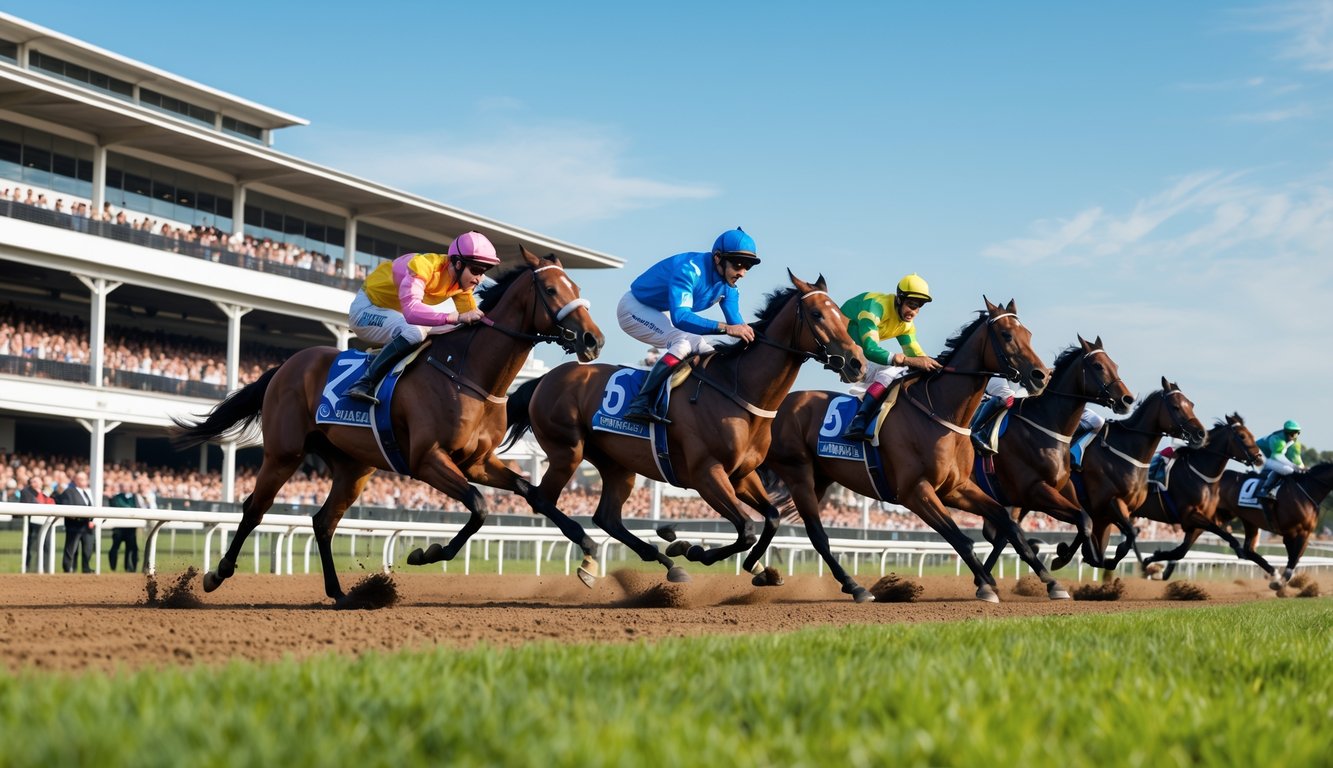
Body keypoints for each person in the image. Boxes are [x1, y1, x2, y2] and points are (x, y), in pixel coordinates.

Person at [618, 228, 759, 424]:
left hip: (659, 312)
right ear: (718, 258)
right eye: (738, 264)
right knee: (682, 343)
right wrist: (726, 328)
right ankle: (641, 402)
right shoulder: (689, 270)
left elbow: (737, 325)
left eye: (748, 266)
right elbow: (681, 318)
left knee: (707, 349)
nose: (742, 273)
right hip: (634, 308)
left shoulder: (729, 287)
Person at [344, 231, 500, 403]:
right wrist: (455, 317)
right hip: (366, 310)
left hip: (394, 315)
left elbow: (472, 320)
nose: (479, 279)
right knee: (415, 331)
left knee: (454, 330)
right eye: (476, 270)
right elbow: (411, 313)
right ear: (457, 263)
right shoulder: (423, 267)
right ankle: (364, 383)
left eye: (484, 271)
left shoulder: (461, 284)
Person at [840, 275, 942, 441]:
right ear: (900, 299)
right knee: (892, 370)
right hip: (838, 347)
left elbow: (917, 356)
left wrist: (940, 366)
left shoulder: (906, 325)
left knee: (907, 373)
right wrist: (906, 360)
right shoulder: (875, 306)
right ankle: (859, 419)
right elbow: (871, 350)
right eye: (911, 305)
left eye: (919, 307)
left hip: (858, 352)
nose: (914, 312)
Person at [971, 378, 1105, 454]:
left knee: (1098, 421)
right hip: (1002, 380)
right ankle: (976, 431)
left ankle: (1069, 449)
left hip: (1031, 390)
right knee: (1009, 397)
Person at [1255, 420, 1305, 501]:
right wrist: (1294, 466)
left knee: (1295, 471)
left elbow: (1297, 459)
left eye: (1297, 433)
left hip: (1270, 457)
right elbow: (1276, 456)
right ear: (1286, 431)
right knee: (1287, 470)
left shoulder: (1295, 442)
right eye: (1292, 433)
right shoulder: (1277, 439)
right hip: (1258, 454)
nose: (1294, 436)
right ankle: (1265, 490)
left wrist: (1303, 468)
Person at [58, 470, 96, 573]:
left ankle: (86, 568)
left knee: (88, 549)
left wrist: (91, 520)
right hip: (74, 526)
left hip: (88, 527)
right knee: (71, 549)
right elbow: (66, 507)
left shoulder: (88, 493)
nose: (83, 481)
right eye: (80, 479)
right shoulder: (69, 492)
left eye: (84, 479)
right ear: (75, 480)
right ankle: (68, 568)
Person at [18, 474, 55, 573]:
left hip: (46, 522)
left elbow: (53, 503)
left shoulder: (47, 492)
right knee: (32, 546)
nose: (36, 483)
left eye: (38, 481)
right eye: (34, 481)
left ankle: (45, 568)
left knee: (47, 546)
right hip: (33, 524)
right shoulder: (26, 492)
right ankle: (29, 568)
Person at [107, 481, 140, 572]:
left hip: (131, 529)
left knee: (132, 549)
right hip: (118, 529)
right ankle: (113, 568)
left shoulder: (134, 497)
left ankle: (130, 568)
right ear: (121, 488)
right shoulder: (116, 498)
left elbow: (138, 508)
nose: (125, 488)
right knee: (115, 548)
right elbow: (116, 507)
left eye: (127, 486)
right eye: (123, 486)